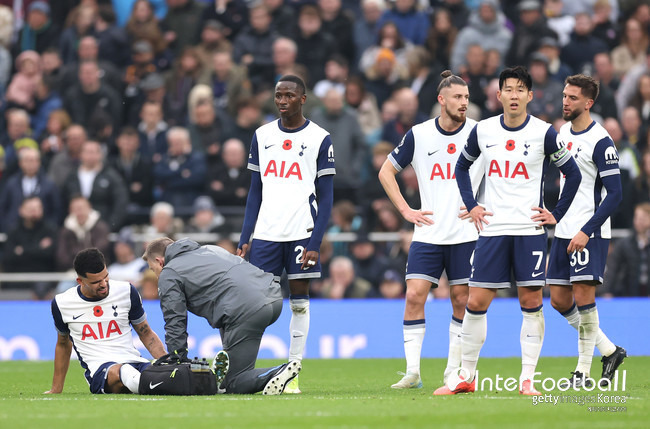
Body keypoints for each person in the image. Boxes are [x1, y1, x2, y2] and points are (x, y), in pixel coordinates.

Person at [444, 66, 582, 396]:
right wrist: (472, 204)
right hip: (492, 229)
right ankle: (466, 377)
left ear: (530, 96)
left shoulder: (545, 133)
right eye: (509, 89)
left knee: (531, 300)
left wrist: (556, 214)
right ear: (499, 95)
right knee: (475, 301)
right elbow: (461, 167)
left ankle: (527, 381)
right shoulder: (484, 131)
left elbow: (573, 175)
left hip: (529, 230)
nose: (515, 95)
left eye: (521, 89)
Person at [378, 71, 483, 392]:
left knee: (460, 300)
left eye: (466, 98)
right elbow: (386, 171)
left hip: (466, 232)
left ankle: (453, 372)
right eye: (457, 97)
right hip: (428, 231)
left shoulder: (480, 133)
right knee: (413, 296)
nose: (463, 103)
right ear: (442, 100)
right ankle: (412, 372)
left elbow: (498, 175)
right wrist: (405, 210)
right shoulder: (419, 134)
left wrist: (481, 204)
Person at [237, 75, 335, 394]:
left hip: (301, 232)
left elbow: (327, 196)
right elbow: (255, 192)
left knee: (299, 303)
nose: (282, 101)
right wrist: (245, 236)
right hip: (266, 232)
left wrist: (315, 242)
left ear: (302, 99)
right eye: (278, 95)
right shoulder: (262, 135)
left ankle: (292, 372)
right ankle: (247, 371)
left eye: (289, 95)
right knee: (258, 305)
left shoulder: (320, 138)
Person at [142, 237, 301, 395]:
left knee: (235, 382)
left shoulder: (169, 272)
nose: (155, 274)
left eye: (152, 268)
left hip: (245, 308)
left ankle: (275, 372)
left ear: (160, 261)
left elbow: (174, 320)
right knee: (230, 375)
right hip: (272, 297)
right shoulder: (211, 249)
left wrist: (178, 359)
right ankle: (222, 377)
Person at [547, 74, 626, 388]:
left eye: (573, 98)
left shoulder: (602, 141)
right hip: (564, 228)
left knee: (583, 298)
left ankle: (582, 372)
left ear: (588, 103)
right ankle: (609, 350)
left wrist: (587, 230)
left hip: (588, 230)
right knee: (558, 300)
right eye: (565, 96)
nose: (565, 101)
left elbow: (615, 194)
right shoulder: (563, 132)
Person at [45, 248, 167, 394]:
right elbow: (63, 344)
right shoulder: (62, 303)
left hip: (135, 362)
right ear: (80, 281)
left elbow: (146, 333)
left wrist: (167, 364)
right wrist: (56, 388)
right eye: (96, 282)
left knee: (160, 372)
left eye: (106, 277)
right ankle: (154, 386)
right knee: (122, 371)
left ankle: (159, 382)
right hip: (101, 371)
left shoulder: (126, 291)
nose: (103, 284)